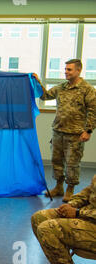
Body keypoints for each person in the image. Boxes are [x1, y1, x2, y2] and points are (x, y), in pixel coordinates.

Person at [34, 59, 96, 202]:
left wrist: (88, 130)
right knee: (56, 161)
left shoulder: (87, 90)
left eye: (69, 70)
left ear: (78, 70)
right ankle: (59, 186)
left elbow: (93, 111)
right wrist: (37, 81)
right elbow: (45, 95)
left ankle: (70, 189)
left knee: (72, 163)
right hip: (58, 131)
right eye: (65, 69)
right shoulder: (61, 87)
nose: (65, 72)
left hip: (75, 134)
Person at [31, 174, 96, 264]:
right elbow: (88, 192)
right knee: (38, 218)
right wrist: (71, 204)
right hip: (89, 217)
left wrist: (78, 212)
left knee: (48, 229)